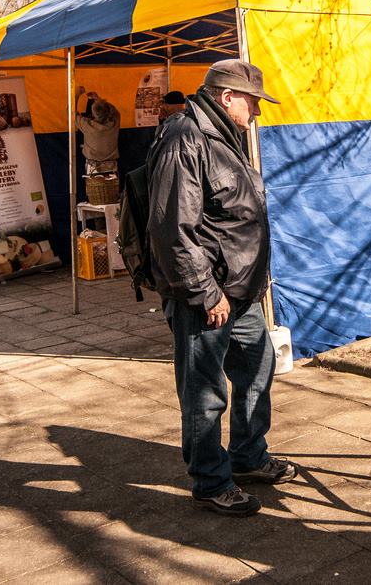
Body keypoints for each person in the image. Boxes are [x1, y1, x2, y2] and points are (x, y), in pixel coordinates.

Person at [147, 60, 296, 517]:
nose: (257, 111)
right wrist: (205, 292)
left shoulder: (224, 134)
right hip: (206, 294)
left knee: (257, 365)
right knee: (205, 391)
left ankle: (247, 457)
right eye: (253, 102)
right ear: (228, 97)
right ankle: (211, 481)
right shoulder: (185, 138)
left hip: (238, 290)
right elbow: (172, 228)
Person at [74, 86, 120, 175]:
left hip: (93, 169)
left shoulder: (87, 125)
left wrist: (76, 94)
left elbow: (70, 113)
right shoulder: (114, 122)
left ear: (93, 114)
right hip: (111, 168)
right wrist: (98, 99)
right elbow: (114, 110)